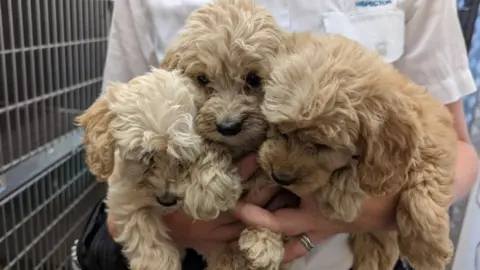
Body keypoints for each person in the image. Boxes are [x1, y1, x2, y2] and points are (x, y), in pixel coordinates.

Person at [73, 0, 479, 269]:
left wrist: (361, 210)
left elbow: (458, 148)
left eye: (253, 81)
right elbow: (122, 130)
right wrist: (176, 222)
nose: (230, 114)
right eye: (202, 81)